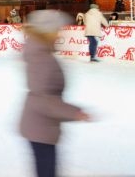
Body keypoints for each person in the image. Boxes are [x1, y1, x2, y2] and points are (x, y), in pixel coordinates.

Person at [19, 10, 91, 177]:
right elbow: (43, 99)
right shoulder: (42, 58)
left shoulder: (40, 53)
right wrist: (74, 113)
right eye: (57, 30)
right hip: (40, 128)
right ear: (48, 32)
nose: (60, 35)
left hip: (40, 127)